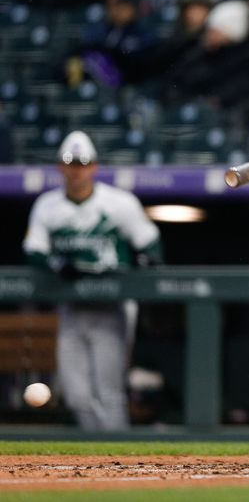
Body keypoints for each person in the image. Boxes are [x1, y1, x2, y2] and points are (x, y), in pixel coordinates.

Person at [22, 131, 162, 430]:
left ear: (95, 166)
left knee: (108, 393)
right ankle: (94, 459)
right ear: (60, 166)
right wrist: (57, 264)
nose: (77, 170)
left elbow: (149, 243)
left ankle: (119, 459)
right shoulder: (47, 206)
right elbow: (34, 251)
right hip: (71, 307)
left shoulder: (118, 203)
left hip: (111, 307)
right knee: (76, 395)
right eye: (71, 164)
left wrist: (143, 261)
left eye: (83, 164)